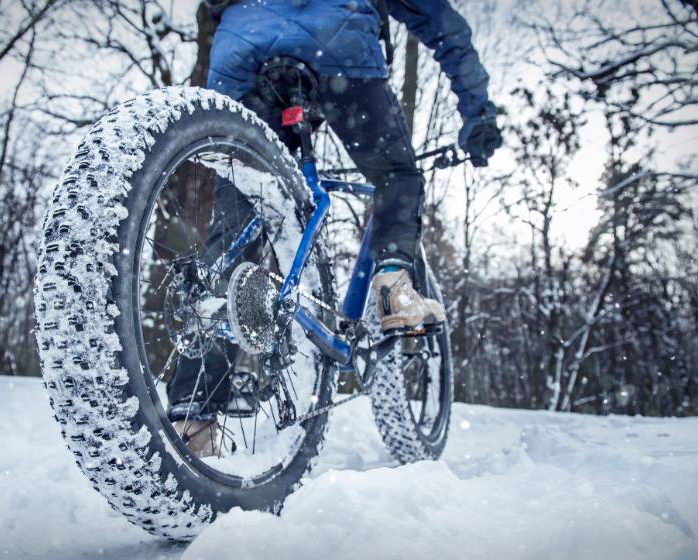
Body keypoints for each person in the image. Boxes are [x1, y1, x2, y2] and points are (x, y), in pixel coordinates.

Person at [169, 0, 502, 455]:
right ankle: (392, 280)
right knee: (396, 177)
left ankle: (194, 416)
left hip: (242, 58)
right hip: (338, 51)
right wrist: (478, 113)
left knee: (236, 225)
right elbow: (441, 23)